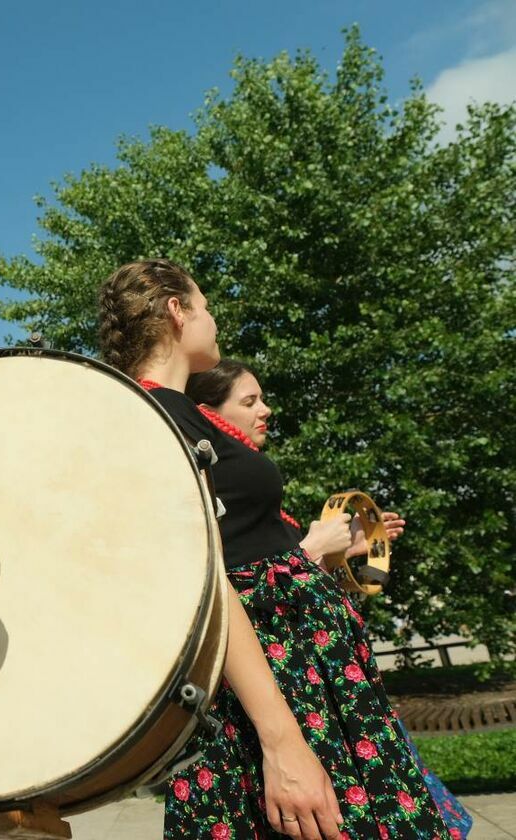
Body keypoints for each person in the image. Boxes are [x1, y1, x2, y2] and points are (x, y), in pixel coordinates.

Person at [97, 258, 451, 840]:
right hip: (277, 687)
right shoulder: (158, 415)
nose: (213, 320)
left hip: (299, 675)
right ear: (175, 311)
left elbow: (241, 548)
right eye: (205, 306)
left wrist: (327, 554)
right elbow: (205, 583)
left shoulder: (177, 412)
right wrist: (283, 741)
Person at [186, 358, 473, 838]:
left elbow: (289, 593)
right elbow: (243, 596)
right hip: (291, 703)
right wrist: (314, 547)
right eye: (249, 401)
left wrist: (345, 553)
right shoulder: (210, 494)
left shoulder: (254, 507)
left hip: (328, 691)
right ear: (210, 417)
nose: (266, 410)